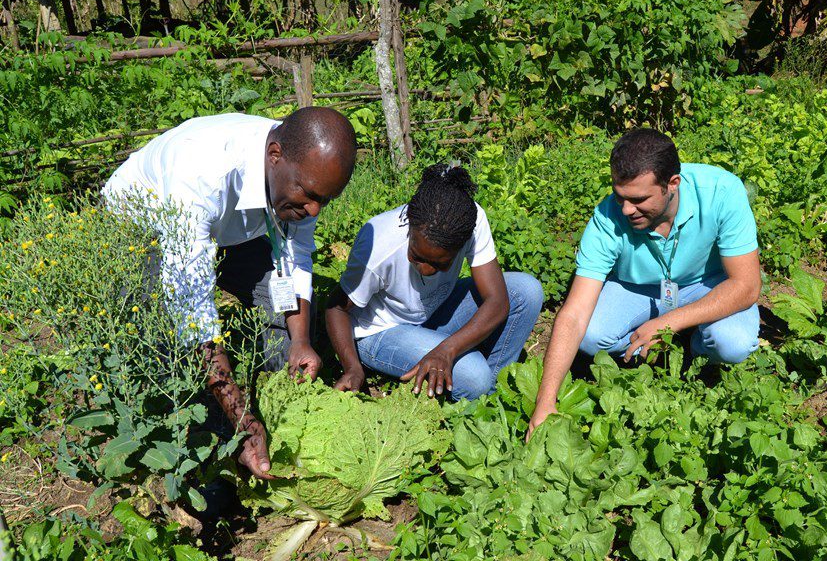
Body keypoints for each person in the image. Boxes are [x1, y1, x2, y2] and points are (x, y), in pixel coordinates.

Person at [103, 107, 357, 479]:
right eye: (309, 195)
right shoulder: (203, 173)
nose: (316, 208)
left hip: (232, 228)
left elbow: (295, 256)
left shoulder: (304, 178)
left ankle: (279, 412)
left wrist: (300, 340)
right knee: (163, 351)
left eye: (326, 199)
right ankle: (217, 443)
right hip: (146, 230)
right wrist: (241, 417)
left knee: (285, 335)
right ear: (274, 156)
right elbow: (193, 311)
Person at [527, 128, 761, 438]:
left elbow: (746, 285)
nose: (626, 210)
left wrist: (670, 322)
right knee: (591, 336)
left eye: (638, 200)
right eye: (619, 196)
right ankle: (646, 343)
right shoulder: (608, 217)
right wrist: (545, 402)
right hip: (638, 289)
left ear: (672, 184)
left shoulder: (721, 191)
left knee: (732, 343)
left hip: (710, 283)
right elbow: (573, 314)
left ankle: (694, 344)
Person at [325, 163, 544, 400]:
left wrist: (446, 350)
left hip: (433, 313)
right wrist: (352, 367)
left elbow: (498, 301)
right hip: (380, 331)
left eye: (440, 264)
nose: (427, 269)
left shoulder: (468, 221)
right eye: (417, 257)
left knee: (526, 291)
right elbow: (336, 308)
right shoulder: (379, 244)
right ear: (409, 225)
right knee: (474, 376)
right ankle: (474, 391)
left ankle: (490, 397)